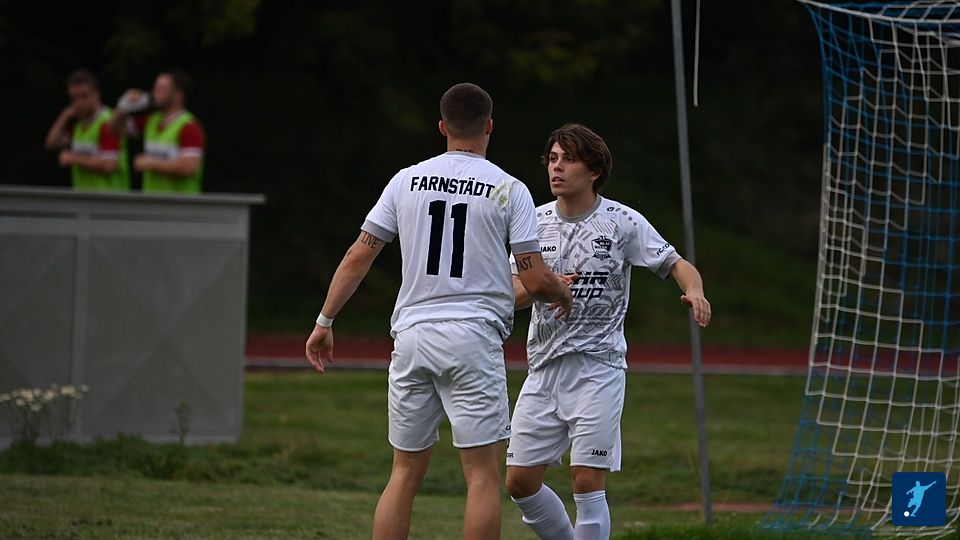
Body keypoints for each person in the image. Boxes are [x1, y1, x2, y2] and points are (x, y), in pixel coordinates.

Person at [304, 83, 574, 540]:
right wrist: (561, 294)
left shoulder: (405, 180)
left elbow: (358, 256)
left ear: (443, 127)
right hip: (472, 339)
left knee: (403, 474)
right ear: (489, 127)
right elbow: (533, 278)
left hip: (412, 338)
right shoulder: (509, 189)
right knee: (482, 476)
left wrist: (324, 322)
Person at [506, 123, 712, 539]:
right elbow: (512, 294)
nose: (556, 168)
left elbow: (676, 264)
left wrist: (695, 291)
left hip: (599, 369)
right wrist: (546, 286)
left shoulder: (621, 221)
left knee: (586, 480)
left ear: (594, 170)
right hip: (543, 369)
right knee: (519, 483)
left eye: (569, 160)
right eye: (552, 159)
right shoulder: (533, 223)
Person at [111, 70, 205, 193]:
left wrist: (150, 163)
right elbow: (115, 128)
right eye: (155, 87)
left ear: (178, 94)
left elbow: (189, 167)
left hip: (179, 202)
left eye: (162, 89)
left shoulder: (189, 126)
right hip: (152, 200)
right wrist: (124, 106)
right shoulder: (152, 120)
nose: (155, 92)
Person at [44, 69, 130, 190]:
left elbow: (109, 165)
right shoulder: (77, 125)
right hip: (84, 198)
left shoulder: (109, 122)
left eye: (84, 96)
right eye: (74, 98)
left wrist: (73, 158)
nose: (79, 103)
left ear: (96, 93)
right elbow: (51, 143)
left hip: (109, 198)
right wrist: (65, 115)